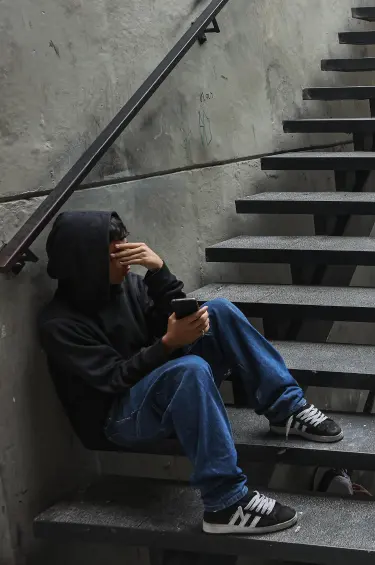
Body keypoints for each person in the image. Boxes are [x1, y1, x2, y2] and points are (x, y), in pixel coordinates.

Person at [39, 211, 344, 536]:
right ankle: (225, 502)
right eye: (118, 252)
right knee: (190, 370)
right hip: (116, 419)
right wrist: (169, 344)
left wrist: (158, 272)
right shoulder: (59, 324)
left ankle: (285, 408)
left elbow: (167, 322)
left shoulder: (125, 286)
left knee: (219, 311)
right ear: (87, 261)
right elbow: (113, 379)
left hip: (155, 389)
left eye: (127, 246)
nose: (129, 258)